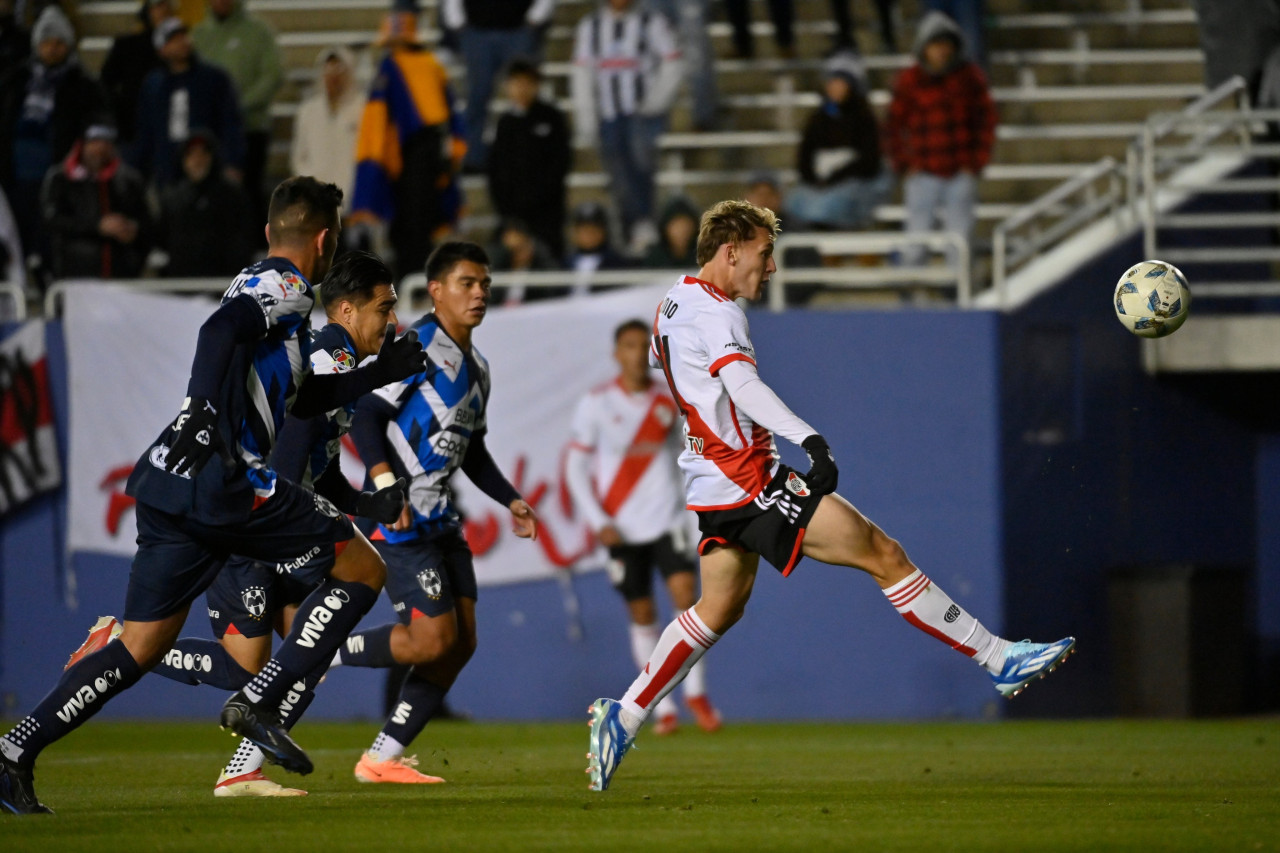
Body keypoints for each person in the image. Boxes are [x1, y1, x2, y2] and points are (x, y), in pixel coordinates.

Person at [584, 200, 1076, 792]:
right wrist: (810, 439)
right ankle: (998, 658)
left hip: (711, 482)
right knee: (880, 551)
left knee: (717, 610)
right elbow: (741, 386)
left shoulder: (673, 301)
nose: (770, 269)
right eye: (765, 255)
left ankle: (627, 712)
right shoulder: (719, 314)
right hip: (747, 478)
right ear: (731, 248)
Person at [0, 176, 428, 815]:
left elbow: (306, 400)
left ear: (269, 230)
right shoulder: (283, 285)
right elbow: (217, 328)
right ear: (325, 239)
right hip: (223, 479)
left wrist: (380, 373)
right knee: (363, 567)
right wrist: (203, 408)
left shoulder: (276, 300)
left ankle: (13, 752)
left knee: (139, 648)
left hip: (171, 478)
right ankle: (259, 698)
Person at [110, 250, 408, 797]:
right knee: (292, 659)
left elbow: (324, 472)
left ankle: (240, 769)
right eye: (384, 308)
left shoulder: (342, 368)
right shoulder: (331, 355)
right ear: (346, 309)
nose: (391, 322)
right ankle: (128, 651)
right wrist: (281, 529)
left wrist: (369, 506)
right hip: (256, 527)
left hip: (269, 522)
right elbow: (290, 448)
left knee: (288, 663)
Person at [334, 241, 538, 784]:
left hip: (441, 519)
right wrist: (384, 485)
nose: (479, 293)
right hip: (399, 518)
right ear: (437, 290)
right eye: (467, 283)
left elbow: (470, 448)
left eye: (485, 284)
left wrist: (510, 497)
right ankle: (324, 646)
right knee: (430, 640)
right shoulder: (416, 346)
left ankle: (381, 758)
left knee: (461, 643)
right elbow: (366, 418)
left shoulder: (478, 367)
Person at [566, 319, 721, 736]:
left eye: (642, 346)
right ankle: (664, 706)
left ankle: (698, 697)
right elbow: (575, 467)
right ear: (617, 353)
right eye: (629, 346)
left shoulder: (667, 403)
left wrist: (693, 518)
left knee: (689, 603)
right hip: (622, 528)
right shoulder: (596, 403)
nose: (637, 354)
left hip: (667, 520)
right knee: (643, 614)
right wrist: (600, 522)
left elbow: (685, 460)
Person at [351, 10, 465, 279]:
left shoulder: (391, 67)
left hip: (409, 158)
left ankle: (412, 284)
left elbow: (377, 123)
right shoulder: (433, 65)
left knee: (408, 230)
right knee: (425, 227)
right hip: (433, 155)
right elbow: (449, 117)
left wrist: (372, 172)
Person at [0, 5, 107, 279]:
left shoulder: (84, 85)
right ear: (37, 44)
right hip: (15, 175)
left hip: (58, 175)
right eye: (47, 41)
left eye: (60, 42)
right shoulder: (15, 80)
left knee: (49, 240)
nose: (53, 47)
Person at [884, 12, 995, 267]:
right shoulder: (910, 80)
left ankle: (960, 296)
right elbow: (892, 126)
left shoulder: (969, 77)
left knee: (960, 242)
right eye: (936, 44)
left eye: (946, 44)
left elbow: (987, 120)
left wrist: (976, 162)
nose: (941, 51)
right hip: (922, 174)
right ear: (924, 47)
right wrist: (904, 163)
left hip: (960, 171)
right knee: (916, 241)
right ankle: (912, 293)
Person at [571, 0, 681, 255]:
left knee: (642, 166)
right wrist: (586, 115)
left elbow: (672, 60)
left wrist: (656, 100)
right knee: (618, 175)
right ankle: (631, 228)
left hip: (643, 114)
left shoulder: (651, 22)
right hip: (609, 114)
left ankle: (645, 224)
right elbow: (582, 71)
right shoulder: (592, 26)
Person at [191, 0, 283, 220]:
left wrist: (237, 107)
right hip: (210, 133)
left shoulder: (259, 31)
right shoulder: (198, 35)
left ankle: (252, 248)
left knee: (248, 193)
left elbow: (272, 76)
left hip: (250, 127)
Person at [440, 0, 555, 173]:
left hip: (518, 29)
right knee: (477, 96)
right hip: (476, 32)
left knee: (525, 97)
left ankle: (529, 155)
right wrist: (458, 22)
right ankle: (473, 158)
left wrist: (535, 17)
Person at [133, 17, 245, 188]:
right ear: (162, 50)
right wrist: (140, 167)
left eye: (183, 36)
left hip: (207, 167)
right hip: (167, 170)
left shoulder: (214, 78)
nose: (182, 42)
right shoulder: (153, 84)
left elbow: (230, 123)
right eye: (173, 39)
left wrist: (232, 162)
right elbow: (146, 130)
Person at [786, 50, 890, 232]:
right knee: (793, 204)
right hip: (817, 184)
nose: (835, 87)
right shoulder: (817, 119)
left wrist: (836, 176)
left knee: (833, 204)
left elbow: (869, 160)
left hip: (853, 184)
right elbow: (805, 155)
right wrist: (814, 179)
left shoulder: (864, 119)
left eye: (841, 82)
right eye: (832, 82)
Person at [40, 121, 150, 279]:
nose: (100, 149)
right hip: (76, 278)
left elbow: (148, 223)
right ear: (82, 145)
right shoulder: (61, 177)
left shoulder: (129, 180)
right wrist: (97, 225)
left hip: (121, 278)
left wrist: (132, 229)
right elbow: (51, 220)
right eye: (94, 142)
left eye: (105, 143)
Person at [486, 58, 570, 260]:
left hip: (547, 214)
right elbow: (495, 170)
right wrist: (507, 210)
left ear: (537, 86)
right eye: (516, 83)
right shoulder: (504, 123)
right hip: (512, 215)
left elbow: (560, 162)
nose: (522, 89)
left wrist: (539, 199)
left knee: (548, 262)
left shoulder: (552, 117)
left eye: (527, 83)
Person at [156, 129, 253, 277]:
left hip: (221, 285)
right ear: (183, 159)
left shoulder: (232, 196)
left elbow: (245, 240)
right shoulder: (172, 197)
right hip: (180, 287)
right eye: (191, 154)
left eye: (203, 154)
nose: (197, 160)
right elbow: (163, 239)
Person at [289, 46, 363, 213]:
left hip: (354, 201)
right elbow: (299, 158)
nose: (334, 76)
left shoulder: (363, 109)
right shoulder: (308, 111)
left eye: (339, 70)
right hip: (318, 204)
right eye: (328, 69)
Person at [100, 0, 175, 149]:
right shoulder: (126, 46)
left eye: (166, 6)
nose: (162, 11)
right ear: (148, 11)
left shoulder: (181, 50)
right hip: (132, 131)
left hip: (170, 131)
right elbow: (105, 85)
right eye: (158, 7)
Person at [488, 218, 559, 305]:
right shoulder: (501, 266)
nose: (519, 254)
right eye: (513, 251)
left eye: (521, 247)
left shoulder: (543, 266)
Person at [643, 196, 699, 269]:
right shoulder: (654, 257)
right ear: (665, 227)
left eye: (685, 226)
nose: (681, 231)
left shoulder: (704, 254)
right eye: (675, 226)